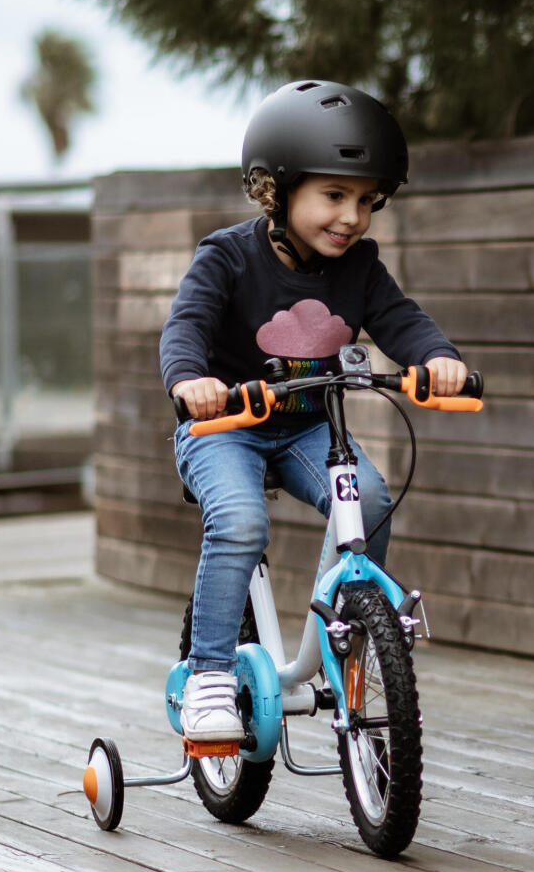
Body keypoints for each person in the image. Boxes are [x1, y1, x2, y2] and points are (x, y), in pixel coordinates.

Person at [159, 79, 469, 743]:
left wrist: (438, 358)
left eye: (366, 201)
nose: (352, 217)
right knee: (240, 519)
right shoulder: (227, 257)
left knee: (374, 498)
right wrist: (191, 380)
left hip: (307, 428)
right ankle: (210, 673)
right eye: (334, 196)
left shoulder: (360, 269)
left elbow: (402, 321)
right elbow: (185, 326)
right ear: (277, 189)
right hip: (224, 429)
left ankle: (346, 638)